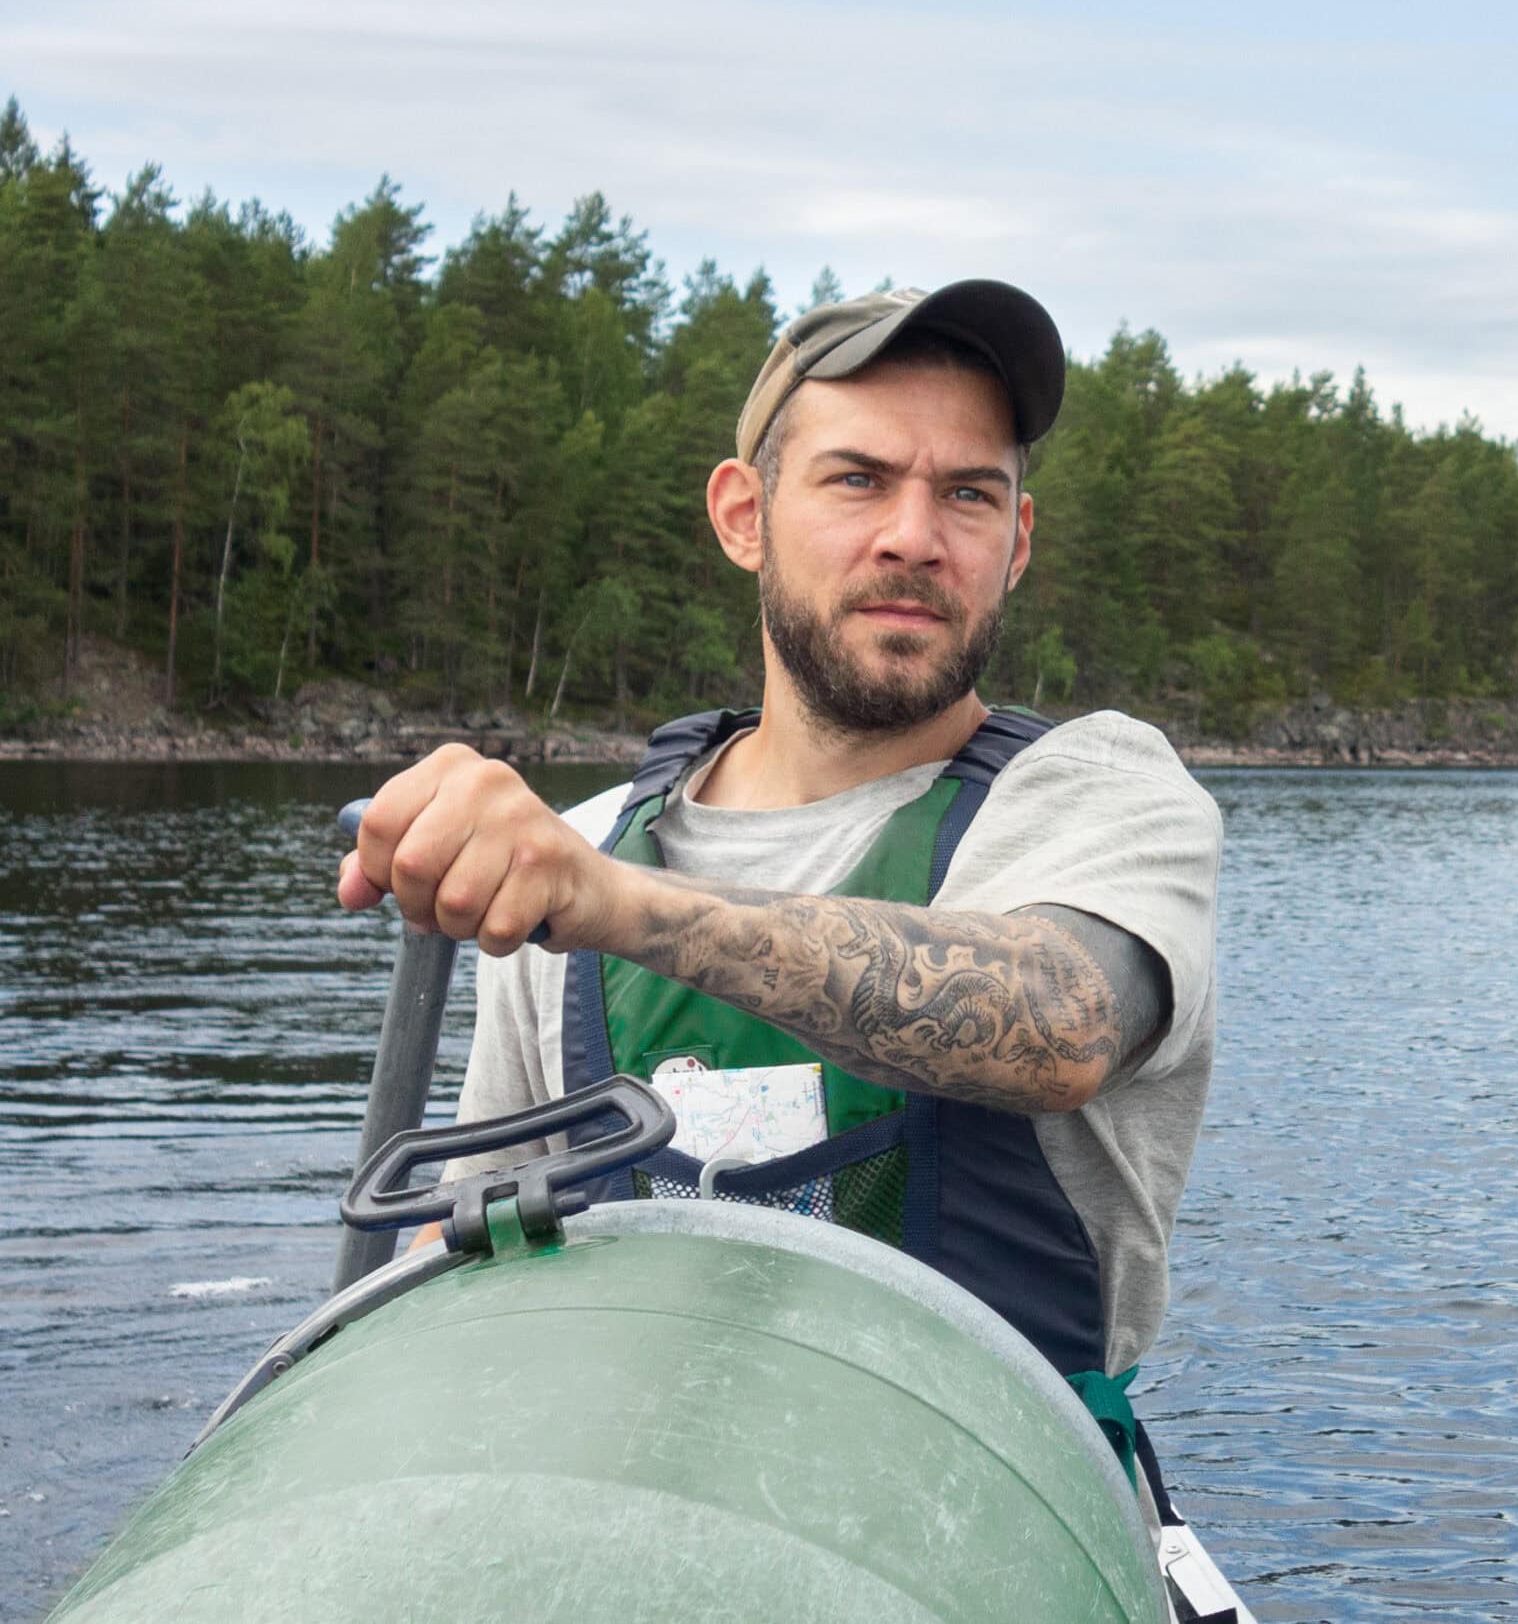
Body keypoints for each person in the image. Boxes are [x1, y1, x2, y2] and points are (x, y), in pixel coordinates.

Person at [335, 279, 1223, 1511]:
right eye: (858, 480)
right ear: (743, 515)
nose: (915, 537)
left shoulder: (1098, 801)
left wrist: (613, 906)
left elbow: (1057, 1021)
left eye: (969, 494)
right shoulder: (583, 848)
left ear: (1016, 544)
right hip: (632, 1516)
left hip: (993, 1537)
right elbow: (475, 1244)